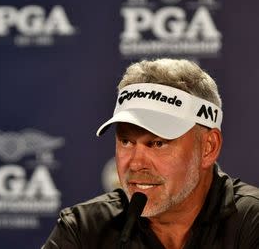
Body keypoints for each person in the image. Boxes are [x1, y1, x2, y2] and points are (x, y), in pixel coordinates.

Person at [42, 58, 259, 249]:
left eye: (157, 143)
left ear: (208, 147)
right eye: (126, 141)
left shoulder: (252, 222)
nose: (136, 164)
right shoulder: (84, 229)